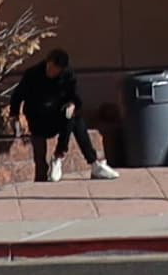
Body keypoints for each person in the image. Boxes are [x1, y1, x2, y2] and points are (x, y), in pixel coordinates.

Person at [17, 48, 118, 182]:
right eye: (51, 68)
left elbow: (74, 96)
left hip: (58, 118)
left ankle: (67, 159)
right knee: (71, 119)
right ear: (47, 63)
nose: (52, 73)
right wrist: (17, 116)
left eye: (56, 71)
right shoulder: (33, 74)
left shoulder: (67, 75)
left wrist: (72, 103)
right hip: (38, 120)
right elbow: (18, 97)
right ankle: (64, 159)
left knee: (74, 117)